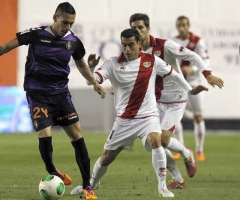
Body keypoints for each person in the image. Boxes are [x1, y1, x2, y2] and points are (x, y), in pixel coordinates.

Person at [0, 2, 105, 200]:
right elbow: (5, 47)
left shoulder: (73, 41)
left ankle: (87, 187)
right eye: (65, 22)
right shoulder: (36, 34)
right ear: (55, 17)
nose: (68, 27)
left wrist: (94, 83)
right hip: (38, 95)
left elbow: (81, 64)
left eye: (71, 24)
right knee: (44, 135)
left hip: (61, 95)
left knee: (77, 136)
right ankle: (52, 170)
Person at [72, 29, 208, 198]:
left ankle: (162, 186)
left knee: (156, 140)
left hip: (148, 117)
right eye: (124, 45)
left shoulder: (151, 60)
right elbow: (91, 80)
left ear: (139, 44)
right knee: (107, 157)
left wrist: (190, 90)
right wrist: (91, 67)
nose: (127, 49)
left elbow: (174, 75)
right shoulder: (112, 63)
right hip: (124, 121)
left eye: (130, 45)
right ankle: (91, 184)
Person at [128, 13, 223, 189]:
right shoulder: (134, 51)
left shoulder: (165, 45)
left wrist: (207, 74)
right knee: (151, 143)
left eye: (140, 27)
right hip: (154, 101)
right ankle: (178, 179)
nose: (137, 31)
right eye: (134, 28)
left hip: (176, 98)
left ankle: (186, 153)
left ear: (148, 29)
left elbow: (193, 56)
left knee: (162, 139)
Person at [173, 15, 210, 161]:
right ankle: (180, 148)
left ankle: (200, 149)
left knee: (198, 115)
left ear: (188, 26)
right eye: (179, 25)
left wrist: (193, 69)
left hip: (194, 82)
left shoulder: (198, 41)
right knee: (175, 117)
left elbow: (205, 60)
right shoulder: (173, 41)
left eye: (184, 25)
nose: (181, 28)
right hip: (178, 83)